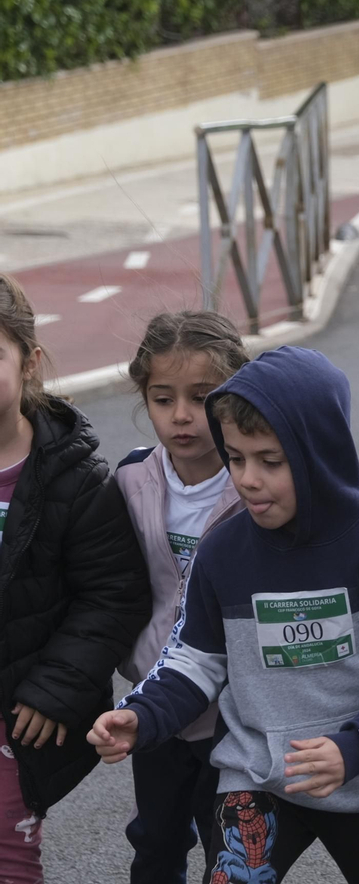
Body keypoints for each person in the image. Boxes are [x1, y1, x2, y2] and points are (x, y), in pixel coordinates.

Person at [91, 346, 359, 883]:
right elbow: (194, 660)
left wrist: (357, 746)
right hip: (255, 775)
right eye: (236, 458)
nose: (248, 479)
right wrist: (143, 714)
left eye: (270, 461)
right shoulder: (223, 550)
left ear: (319, 454)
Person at [0, 275, 149, 883]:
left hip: (17, 712)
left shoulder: (75, 475)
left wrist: (56, 687)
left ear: (30, 362)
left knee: (9, 856)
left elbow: (112, 592)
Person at [114, 312, 251, 884]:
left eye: (202, 397)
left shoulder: (255, 485)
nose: (182, 416)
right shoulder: (128, 481)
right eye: (163, 398)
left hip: (234, 710)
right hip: (157, 705)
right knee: (157, 839)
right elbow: (109, 582)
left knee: (232, 850)